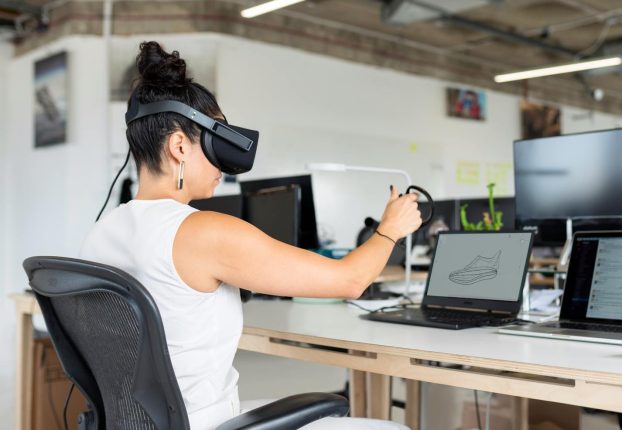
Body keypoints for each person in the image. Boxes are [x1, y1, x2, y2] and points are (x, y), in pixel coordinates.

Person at [80, 41, 420, 430]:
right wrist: (390, 229)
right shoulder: (201, 230)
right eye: (215, 138)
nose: (222, 163)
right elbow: (351, 280)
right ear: (179, 146)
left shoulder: (100, 234)